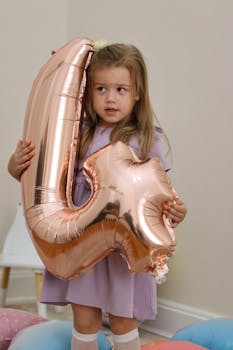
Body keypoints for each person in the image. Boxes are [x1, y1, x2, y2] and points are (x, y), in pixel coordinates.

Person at [8, 43, 187, 350]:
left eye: (120, 89)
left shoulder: (145, 139)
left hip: (120, 248)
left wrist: (174, 212)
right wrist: (16, 165)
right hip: (82, 241)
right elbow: (40, 178)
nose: (110, 98)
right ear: (87, 92)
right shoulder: (78, 134)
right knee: (85, 317)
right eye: (101, 88)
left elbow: (158, 193)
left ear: (138, 93)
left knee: (122, 317)